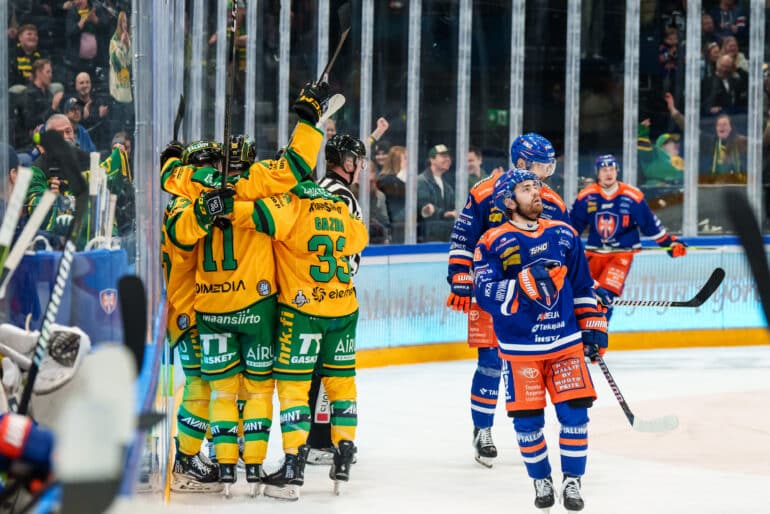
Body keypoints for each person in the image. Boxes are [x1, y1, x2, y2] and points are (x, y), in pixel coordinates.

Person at [160, 81, 330, 491]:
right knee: (225, 387)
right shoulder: (250, 186)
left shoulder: (188, 189)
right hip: (222, 307)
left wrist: (174, 168)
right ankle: (203, 461)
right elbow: (292, 168)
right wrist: (310, 123)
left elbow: (176, 192)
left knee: (218, 387)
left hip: (201, 307)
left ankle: (224, 460)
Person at [473, 169, 608, 512]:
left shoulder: (564, 234)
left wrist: (593, 325)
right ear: (508, 201)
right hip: (521, 351)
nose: (537, 193)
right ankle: (541, 479)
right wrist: (524, 283)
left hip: (565, 345)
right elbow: (485, 293)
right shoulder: (492, 242)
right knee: (528, 422)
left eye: (537, 187)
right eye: (526, 188)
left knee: (575, 415)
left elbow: (581, 287)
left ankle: (573, 481)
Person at [228, 179, 368, 499]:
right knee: (341, 382)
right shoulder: (336, 204)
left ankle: (293, 469)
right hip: (344, 307)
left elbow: (251, 216)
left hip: (302, 309)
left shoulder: (290, 204)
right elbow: (360, 236)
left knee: (293, 388)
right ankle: (344, 450)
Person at [570, 154, 687, 321]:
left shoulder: (632, 196)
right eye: (604, 170)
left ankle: (598, 340)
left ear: (617, 171)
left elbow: (649, 225)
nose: (608, 173)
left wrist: (669, 244)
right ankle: (585, 337)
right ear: (598, 173)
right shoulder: (586, 196)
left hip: (621, 255)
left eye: (611, 169)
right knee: (586, 297)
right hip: (594, 254)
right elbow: (572, 228)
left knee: (605, 295)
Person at [309, 133, 367, 464]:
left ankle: (313, 438)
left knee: (313, 370)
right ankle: (321, 441)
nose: (359, 167)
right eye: (356, 161)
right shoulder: (342, 196)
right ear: (345, 162)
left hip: (311, 295)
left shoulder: (319, 188)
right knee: (332, 370)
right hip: (335, 296)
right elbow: (346, 249)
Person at [445, 165, 505, 467]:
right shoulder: (484, 192)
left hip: (530, 295)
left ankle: (529, 431)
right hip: (488, 290)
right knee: (491, 364)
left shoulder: (546, 197)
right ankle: (483, 429)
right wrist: (459, 276)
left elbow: (564, 244)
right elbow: (463, 238)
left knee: (526, 367)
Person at [509, 133, 569, 223]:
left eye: (548, 168)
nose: (544, 174)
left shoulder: (554, 203)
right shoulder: (494, 195)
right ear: (521, 164)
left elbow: (567, 235)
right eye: (540, 166)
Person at [417, 144, 456, 242]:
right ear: (432, 160)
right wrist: (445, 213)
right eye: (443, 156)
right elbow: (424, 207)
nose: (448, 159)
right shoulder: (421, 181)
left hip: (445, 236)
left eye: (448, 157)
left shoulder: (448, 186)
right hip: (427, 238)